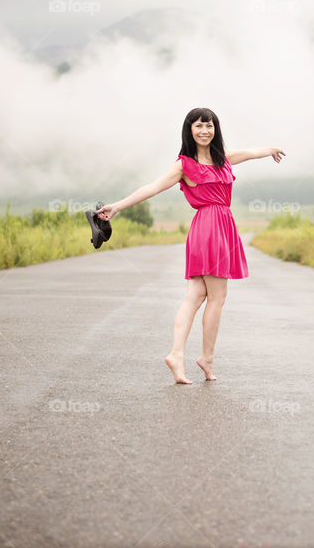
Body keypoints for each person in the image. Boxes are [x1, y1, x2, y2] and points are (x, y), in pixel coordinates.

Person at [95, 107, 285, 384]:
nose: (205, 131)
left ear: (215, 129)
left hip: (215, 228)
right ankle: (206, 358)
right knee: (217, 298)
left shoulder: (224, 158)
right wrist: (118, 207)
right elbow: (152, 187)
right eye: (199, 127)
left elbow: (250, 152)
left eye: (209, 126)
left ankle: (176, 354)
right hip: (211, 228)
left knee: (195, 295)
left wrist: (271, 149)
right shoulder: (184, 165)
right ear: (189, 130)